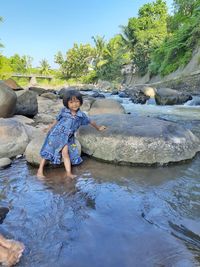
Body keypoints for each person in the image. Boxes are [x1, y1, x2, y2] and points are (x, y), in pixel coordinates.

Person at [37, 90, 106, 179]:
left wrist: (98, 128)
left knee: (65, 152)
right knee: (49, 149)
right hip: (56, 134)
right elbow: (57, 120)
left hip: (68, 137)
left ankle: (68, 173)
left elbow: (90, 121)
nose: (75, 104)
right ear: (67, 103)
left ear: (80, 102)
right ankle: (40, 170)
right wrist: (49, 127)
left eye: (77, 101)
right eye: (71, 102)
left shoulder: (81, 115)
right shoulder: (64, 111)